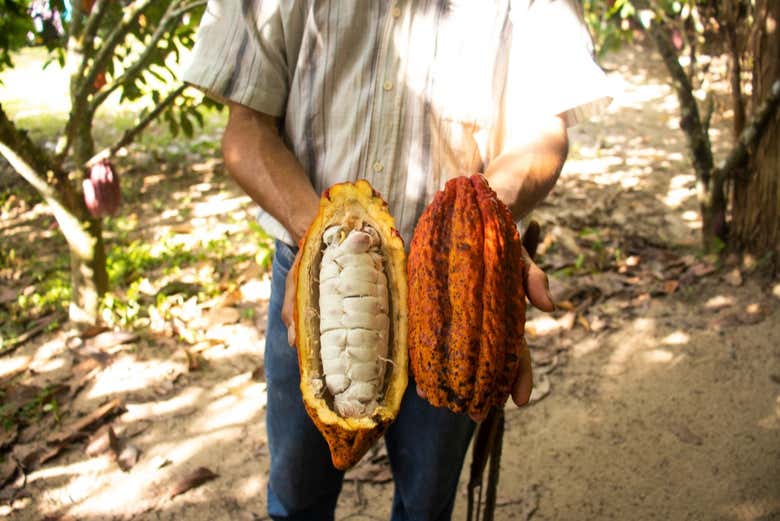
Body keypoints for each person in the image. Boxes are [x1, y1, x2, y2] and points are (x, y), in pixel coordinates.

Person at [183, 1, 611, 520]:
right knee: (296, 495)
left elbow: (542, 129)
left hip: (455, 294)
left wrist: (478, 235)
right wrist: (318, 233)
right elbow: (246, 126)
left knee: (426, 503)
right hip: (317, 272)